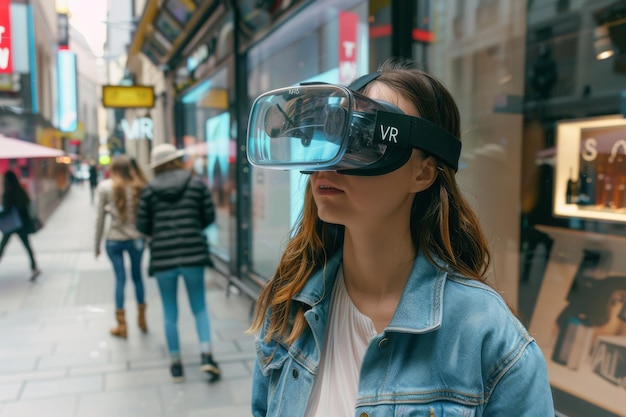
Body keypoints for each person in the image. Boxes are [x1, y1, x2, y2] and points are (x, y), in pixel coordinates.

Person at [247, 58, 555, 417]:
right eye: (329, 137)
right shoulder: (288, 306)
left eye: (361, 140)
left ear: (423, 173)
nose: (328, 164)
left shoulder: (488, 339)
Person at [136, 143, 220, 383]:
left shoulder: (149, 191)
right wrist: (192, 229)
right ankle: (206, 357)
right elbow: (209, 215)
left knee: (170, 311)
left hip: (163, 258)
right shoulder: (195, 184)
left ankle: (176, 365)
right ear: (176, 160)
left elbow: (142, 225)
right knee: (200, 307)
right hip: (193, 254)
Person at [94, 155, 148, 339]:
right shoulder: (139, 186)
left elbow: (100, 219)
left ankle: (122, 325)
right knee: (138, 277)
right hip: (136, 239)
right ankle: (142, 320)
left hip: (114, 240)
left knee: (120, 279)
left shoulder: (105, 187)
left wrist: (96, 244)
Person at [0, 170, 40, 281]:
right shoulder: (20, 189)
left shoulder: (8, 192)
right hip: (21, 224)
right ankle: (34, 267)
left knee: (2, 247)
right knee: (27, 246)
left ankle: (34, 267)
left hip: (11, 224)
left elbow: (6, 209)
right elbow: (26, 203)